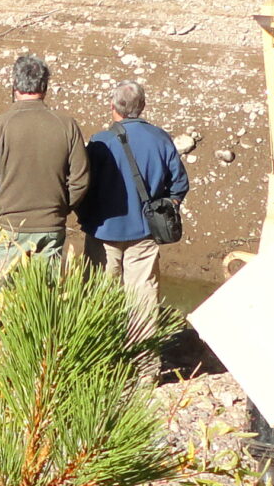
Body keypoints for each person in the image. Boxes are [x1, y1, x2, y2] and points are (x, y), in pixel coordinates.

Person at [81, 80, 191, 337]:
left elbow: (83, 186)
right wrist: (167, 206)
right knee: (143, 301)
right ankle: (145, 369)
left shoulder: (100, 142)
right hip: (144, 233)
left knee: (98, 297)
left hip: (103, 232)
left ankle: (100, 359)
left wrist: (85, 215)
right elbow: (180, 184)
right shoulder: (160, 138)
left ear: (112, 106)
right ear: (142, 106)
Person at [0, 54, 89, 265]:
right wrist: (60, 207)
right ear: (45, 86)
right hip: (50, 227)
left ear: (15, 85)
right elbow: (80, 179)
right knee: (42, 294)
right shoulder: (66, 125)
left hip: (6, 227)